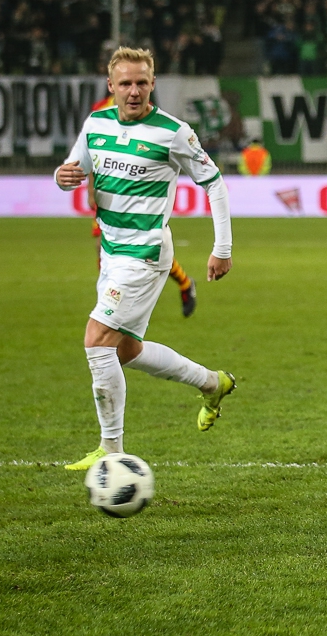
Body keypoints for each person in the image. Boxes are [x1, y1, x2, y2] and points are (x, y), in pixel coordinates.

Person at [55, 47, 238, 471]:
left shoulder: (172, 132)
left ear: (152, 84)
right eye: (125, 83)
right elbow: (73, 172)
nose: (134, 91)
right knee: (125, 350)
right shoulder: (96, 124)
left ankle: (111, 450)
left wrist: (222, 248)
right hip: (111, 251)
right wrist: (61, 177)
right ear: (111, 86)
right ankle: (213, 383)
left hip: (145, 253)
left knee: (97, 338)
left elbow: (214, 183)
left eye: (141, 82)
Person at [86, 95, 199, 317]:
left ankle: (185, 283)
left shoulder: (145, 110)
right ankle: (109, 299)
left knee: (148, 249)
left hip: (137, 194)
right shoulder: (100, 110)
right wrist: (91, 190)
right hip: (108, 191)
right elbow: (92, 151)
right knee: (102, 245)